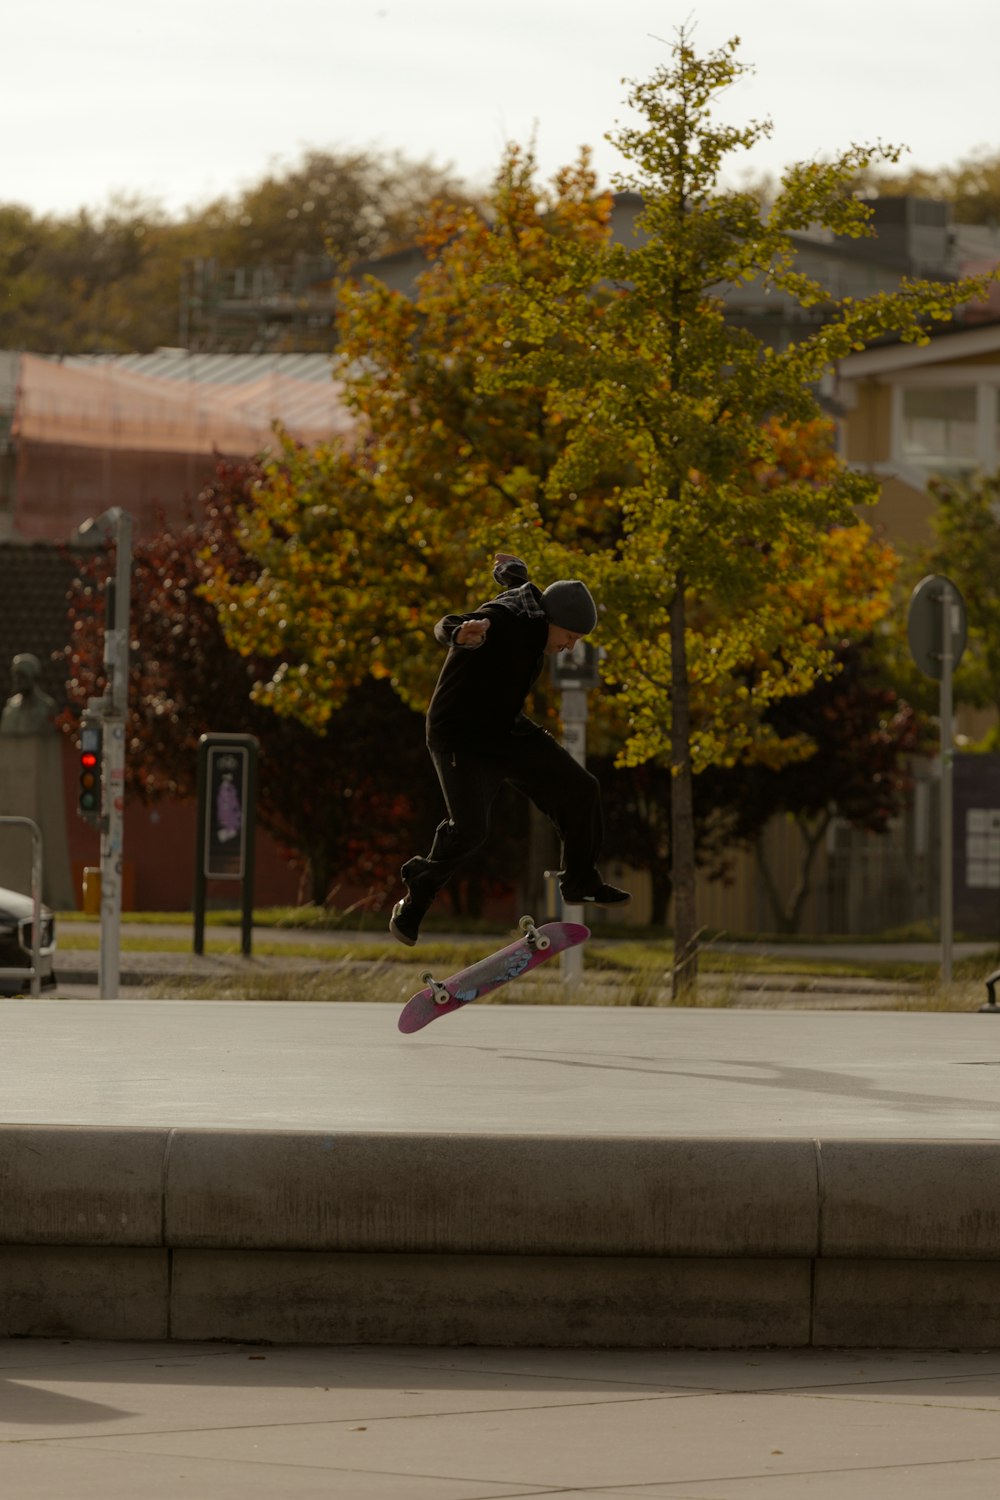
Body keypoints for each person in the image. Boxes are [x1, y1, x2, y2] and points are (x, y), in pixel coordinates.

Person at [390, 553, 630, 946]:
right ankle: (416, 899)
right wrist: (460, 635)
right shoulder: (503, 620)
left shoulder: (537, 613)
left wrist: (510, 570)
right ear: (554, 622)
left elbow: (520, 585)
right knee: (470, 829)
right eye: (569, 637)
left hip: (504, 731)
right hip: (459, 735)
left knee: (582, 788)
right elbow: (446, 623)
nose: (569, 647)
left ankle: (580, 882)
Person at [0, 653, 57, 737]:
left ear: (34, 676)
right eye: (15, 674)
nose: (17, 679)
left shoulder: (47, 707)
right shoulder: (10, 708)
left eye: (22, 675)